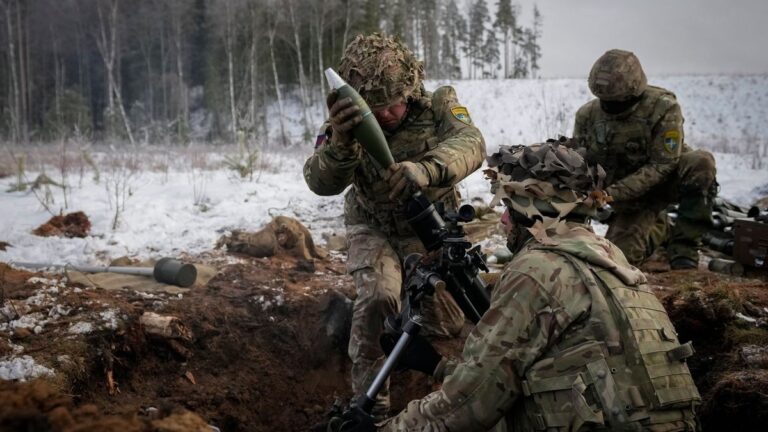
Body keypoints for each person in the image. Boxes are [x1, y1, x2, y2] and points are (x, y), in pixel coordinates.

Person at [333, 141, 701, 431]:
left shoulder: (537, 270)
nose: (504, 218)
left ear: (534, 210)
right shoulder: (612, 257)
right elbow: (570, 372)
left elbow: (470, 408)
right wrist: (439, 367)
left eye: (509, 205)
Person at [303, 33, 486, 417]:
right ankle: (373, 410)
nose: (386, 115)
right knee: (378, 298)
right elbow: (320, 182)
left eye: (394, 104)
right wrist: (340, 144)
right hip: (374, 227)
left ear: (410, 87)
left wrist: (426, 169)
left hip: (430, 229)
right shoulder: (345, 124)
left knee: (450, 324)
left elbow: (471, 144)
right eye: (377, 107)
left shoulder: (438, 105)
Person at [572, 49, 717, 269]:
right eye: (604, 101)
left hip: (662, 183)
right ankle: (659, 230)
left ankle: (684, 246)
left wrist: (611, 194)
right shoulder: (587, 115)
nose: (609, 108)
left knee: (701, 162)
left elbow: (662, 165)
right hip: (629, 200)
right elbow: (582, 163)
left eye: (616, 102)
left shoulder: (663, 108)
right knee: (618, 260)